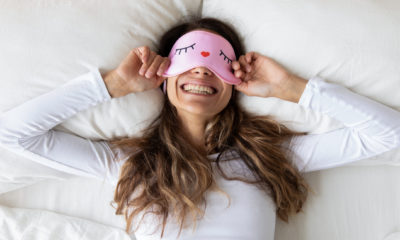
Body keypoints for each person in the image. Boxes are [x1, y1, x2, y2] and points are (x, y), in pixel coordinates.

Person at [0, 17, 399, 240]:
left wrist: (291, 89)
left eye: (217, 61)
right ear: (165, 76)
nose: (202, 68)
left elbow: (389, 134)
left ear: (234, 82)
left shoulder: (266, 159)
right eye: (188, 57)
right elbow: (12, 135)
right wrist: (112, 86)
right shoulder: (130, 164)